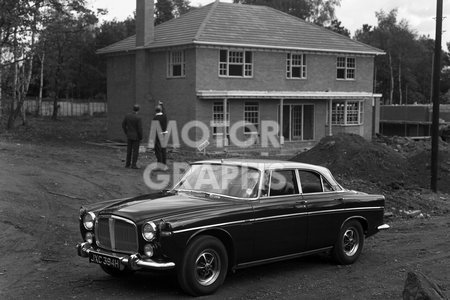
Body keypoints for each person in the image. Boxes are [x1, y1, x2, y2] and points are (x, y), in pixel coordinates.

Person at [122, 104, 143, 169]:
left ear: (133, 109)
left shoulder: (127, 116)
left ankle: (127, 164)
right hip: (136, 137)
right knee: (135, 151)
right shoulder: (138, 118)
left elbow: (123, 125)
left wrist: (126, 132)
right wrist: (140, 137)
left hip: (129, 136)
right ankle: (133, 165)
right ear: (138, 110)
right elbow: (140, 129)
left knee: (129, 150)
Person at [152, 102, 168, 169]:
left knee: (158, 151)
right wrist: (161, 104)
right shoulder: (164, 116)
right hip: (164, 135)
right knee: (163, 150)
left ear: (155, 111)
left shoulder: (155, 118)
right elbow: (164, 112)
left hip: (158, 136)